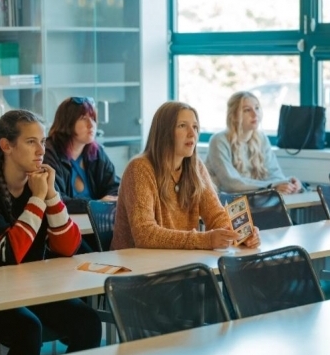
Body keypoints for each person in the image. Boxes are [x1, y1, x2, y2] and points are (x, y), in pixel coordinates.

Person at [0, 109, 101, 355]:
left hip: (26, 290)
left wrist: (51, 196)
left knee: (88, 322)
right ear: (6, 146)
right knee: (28, 329)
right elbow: (9, 253)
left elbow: (68, 248)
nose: (41, 150)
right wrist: (37, 199)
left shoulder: (38, 186)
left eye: (42, 142)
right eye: (31, 142)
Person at [111, 101, 261, 251]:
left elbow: (216, 215)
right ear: (164, 132)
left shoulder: (195, 167)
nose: (192, 133)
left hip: (178, 262)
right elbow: (145, 234)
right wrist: (205, 240)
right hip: (134, 267)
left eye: (195, 127)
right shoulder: (139, 169)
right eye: (182, 126)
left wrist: (240, 235)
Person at [205, 91, 302, 195]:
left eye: (257, 108)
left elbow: (274, 175)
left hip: (255, 201)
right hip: (224, 205)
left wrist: (288, 183)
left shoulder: (262, 138)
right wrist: (272, 186)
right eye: (247, 110)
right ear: (233, 116)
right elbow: (231, 183)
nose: (255, 114)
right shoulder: (218, 140)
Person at [44, 97, 120, 214]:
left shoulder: (96, 151)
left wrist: (103, 203)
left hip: (93, 223)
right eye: (84, 118)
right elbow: (54, 199)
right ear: (67, 122)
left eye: (93, 119)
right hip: (62, 225)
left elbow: (115, 187)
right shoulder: (49, 153)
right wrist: (96, 205)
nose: (91, 125)